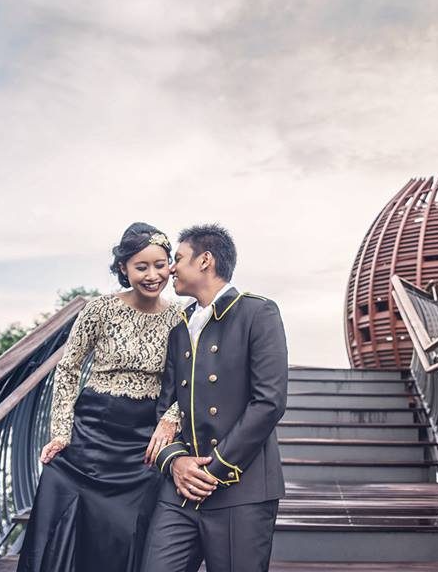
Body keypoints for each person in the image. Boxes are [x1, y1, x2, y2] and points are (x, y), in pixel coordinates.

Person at [17, 223, 184, 572]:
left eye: (160, 264)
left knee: (124, 530)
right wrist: (61, 431)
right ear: (123, 268)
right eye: (142, 266)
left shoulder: (179, 318)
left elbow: (190, 382)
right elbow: (68, 369)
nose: (153, 275)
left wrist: (172, 418)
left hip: (142, 441)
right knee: (58, 490)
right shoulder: (99, 310)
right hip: (90, 432)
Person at [141, 224, 288, 572]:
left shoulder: (258, 313)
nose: (170, 268)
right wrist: (176, 462)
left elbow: (269, 402)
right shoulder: (179, 327)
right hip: (179, 490)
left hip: (242, 490)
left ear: (205, 260)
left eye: (177, 259)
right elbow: (167, 407)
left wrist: (214, 468)